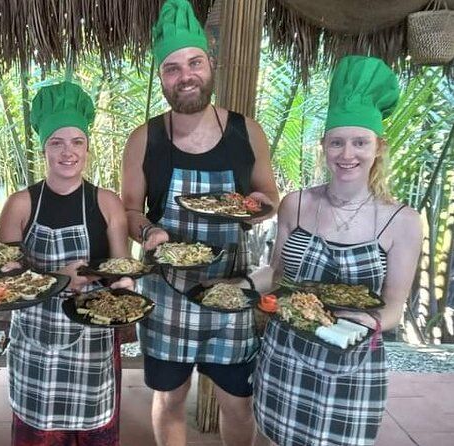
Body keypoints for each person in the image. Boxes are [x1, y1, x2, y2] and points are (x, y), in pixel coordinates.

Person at [121, 1, 279, 445]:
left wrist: (257, 205)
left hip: (232, 289)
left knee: (237, 401)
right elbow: (130, 209)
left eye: (193, 62)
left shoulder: (248, 132)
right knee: (170, 399)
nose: (185, 75)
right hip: (167, 290)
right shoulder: (145, 138)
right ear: (161, 78)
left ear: (210, 64)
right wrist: (149, 232)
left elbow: (270, 198)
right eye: (172, 68)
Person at [250, 55, 423, 446]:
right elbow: (277, 276)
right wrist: (238, 286)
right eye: (337, 142)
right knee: (270, 438)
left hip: (351, 360)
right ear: (323, 146)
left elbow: (394, 307)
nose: (348, 154)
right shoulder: (296, 204)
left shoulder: (403, 221)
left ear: (379, 147)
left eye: (360, 142)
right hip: (286, 354)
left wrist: (361, 323)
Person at [0, 81, 133, 446]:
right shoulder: (20, 204)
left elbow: (122, 268)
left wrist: (125, 290)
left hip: (92, 342)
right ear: (43, 148)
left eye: (77, 142)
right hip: (36, 342)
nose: (67, 152)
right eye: (56, 142)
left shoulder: (107, 202)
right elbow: (6, 284)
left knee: (93, 435)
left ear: (88, 146)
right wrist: (59, 279)